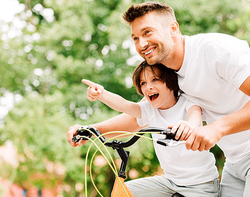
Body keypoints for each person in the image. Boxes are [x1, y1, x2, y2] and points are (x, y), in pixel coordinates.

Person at [67, 2, 250, 197]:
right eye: (135, 37)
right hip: (234, 159)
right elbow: (141, 116)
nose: (141, 44)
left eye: (148, 32)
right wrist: (90, 130)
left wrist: (216, 129)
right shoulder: (168, 76)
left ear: (173, 28)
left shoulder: (215, 49)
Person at [80, 61, 219, 196]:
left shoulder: (187, 103)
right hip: (170, 182)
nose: (148, 87)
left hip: (200, 183)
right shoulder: (149, 110)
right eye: (143, 83)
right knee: (124, 191)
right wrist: (102, 94)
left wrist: (188, 126)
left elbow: (195, 117)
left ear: (170, 82)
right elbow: (124, 105)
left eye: (155, 80)